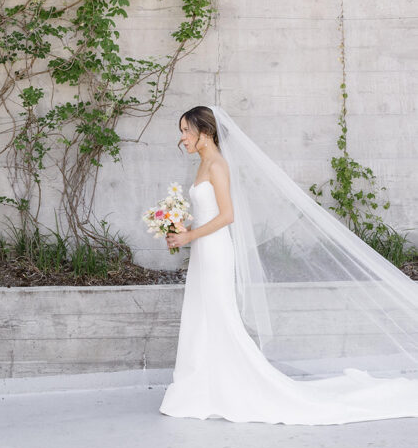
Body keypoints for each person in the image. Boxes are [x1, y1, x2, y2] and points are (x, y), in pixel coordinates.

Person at [160, 105, 418, 424]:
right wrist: (182, 228)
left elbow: (227, 216)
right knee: (202, 315)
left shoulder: (217, 165)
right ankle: (201, 387)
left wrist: (190, 236)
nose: (182, 137)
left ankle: (230, 387)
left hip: (215, 253)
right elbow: (207, 211)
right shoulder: (202, 164)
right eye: (181, 131)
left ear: (206, 132)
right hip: (203, 250)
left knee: (219, 315)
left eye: (187, 130)